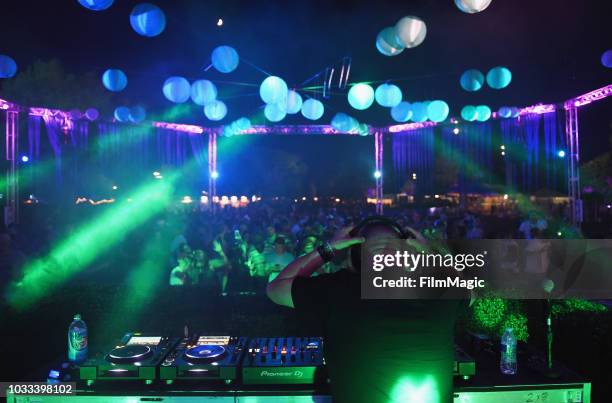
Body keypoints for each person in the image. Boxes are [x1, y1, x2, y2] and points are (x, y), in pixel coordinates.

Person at [266, 217, 462, 403]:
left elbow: (275, 289)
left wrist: (329, 248)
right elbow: (475, 290)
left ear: (355, 256)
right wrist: (430, 253)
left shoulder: (336, 289)